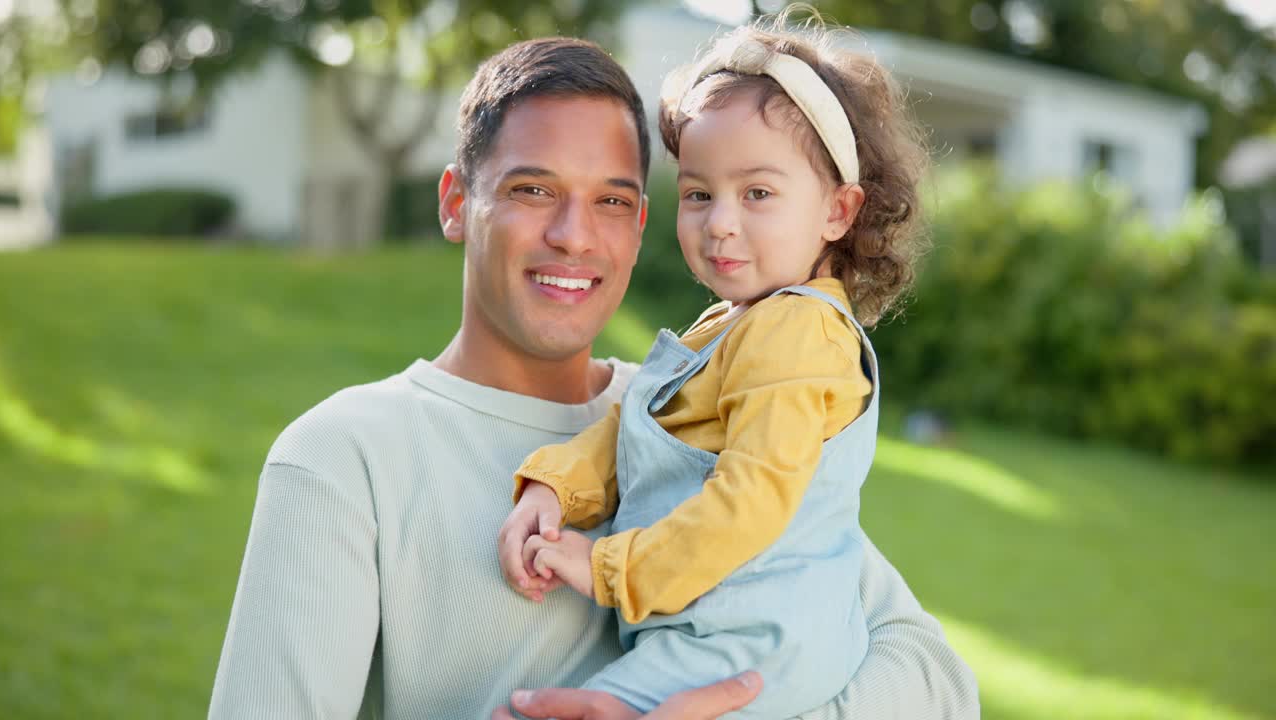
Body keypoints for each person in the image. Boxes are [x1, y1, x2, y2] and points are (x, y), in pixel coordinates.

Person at [208, 34, 979, 720]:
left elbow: (940, 685)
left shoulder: (709, 416)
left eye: (611, 201)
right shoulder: (344, 457)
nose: (574, 236)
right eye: (532, 189)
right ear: (455, 203)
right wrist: (552, 487)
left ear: (640, 223)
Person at [497, 17, 931, 718]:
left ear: (838, 210)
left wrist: (607, 566)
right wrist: (556, 488)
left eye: (757, 193)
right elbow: (640, 428)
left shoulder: (797, 331)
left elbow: (748, 504)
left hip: (746, 644)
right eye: (699, 194)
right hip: (718, 633)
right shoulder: (739, 320)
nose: (720, 222)